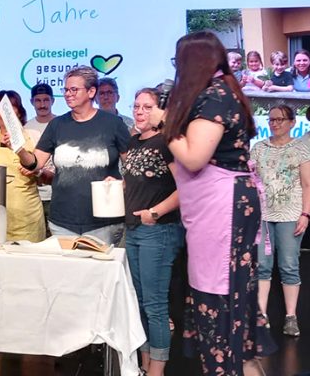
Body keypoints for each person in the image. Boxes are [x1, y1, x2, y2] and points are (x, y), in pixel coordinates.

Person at [148, 31, 275, 375]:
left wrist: (165, 124)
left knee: (219, 296)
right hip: (220, 206)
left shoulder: (215, 97)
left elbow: (193, 158)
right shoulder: (222, 92)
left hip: (223, 208)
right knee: (227, 299)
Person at [16, 66, 131, 245]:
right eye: (66, 90)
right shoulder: (57, 125)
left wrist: (123, 184)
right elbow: (35, 163)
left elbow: (132, 166)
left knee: (99, 272)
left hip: (103, 222)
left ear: (91, 91)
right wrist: (19, 150)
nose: (68, 94)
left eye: (74, 89)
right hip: (62, 220)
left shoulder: (113, 124)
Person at [123, 88, 183, 376]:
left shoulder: (167, 142)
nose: (139, 111)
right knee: (139, 304)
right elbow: (140, 182)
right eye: (136, 106)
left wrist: (155, 212)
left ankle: (156, 370)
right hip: (133, 230)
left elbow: (185, 187)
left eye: (147, 107)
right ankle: (145, 366)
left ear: (160, 111)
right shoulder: (133, 142)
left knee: (156, 306)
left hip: (158, 231)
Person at [250, 105, 310, 337]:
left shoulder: (301, 148)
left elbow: (307, 184)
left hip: (291, 215)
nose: (274, 123)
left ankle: (291, 317)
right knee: (262, 266)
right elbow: (251, 179)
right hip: (263, 216)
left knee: (288, 265)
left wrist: (305, 214)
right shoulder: (258, 148)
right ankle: (261, 315)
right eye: (271, 119)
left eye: (280, 119)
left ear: (293, 122)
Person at [0, 90, 45, 242]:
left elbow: (49, 175)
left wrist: (36, 172)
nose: (6, 113)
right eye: (0, 108)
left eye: (12, 107)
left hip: (28, 215)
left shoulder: (35, 135)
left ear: (19, 112)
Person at [24, 83, 57, 231]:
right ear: (31, 102)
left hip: (58, 196)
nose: (42, 105)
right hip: (33, 196)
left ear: (53, 101)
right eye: (38, 100)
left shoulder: (62, 124)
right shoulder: (25, 128)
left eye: (46, 100)